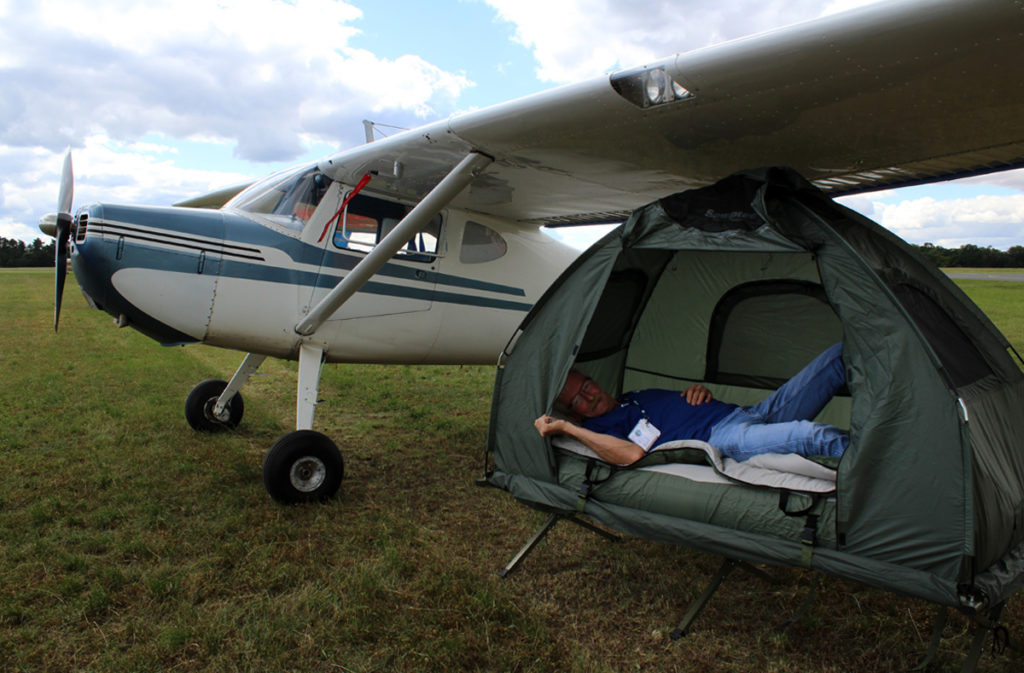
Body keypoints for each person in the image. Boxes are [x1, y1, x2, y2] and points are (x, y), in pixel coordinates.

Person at [534, 343, 849, 466]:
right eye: (578, 399)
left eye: (587, 386)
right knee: (813, 435)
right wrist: (568, 428)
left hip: (749, 412)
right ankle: (883, 477)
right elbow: (630, 455)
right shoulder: (599, 429)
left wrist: (698, 391)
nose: (589, 396)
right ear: (574, 411)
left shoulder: (635, 396)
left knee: (837, 359)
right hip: (723, 438)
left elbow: (683, 403)